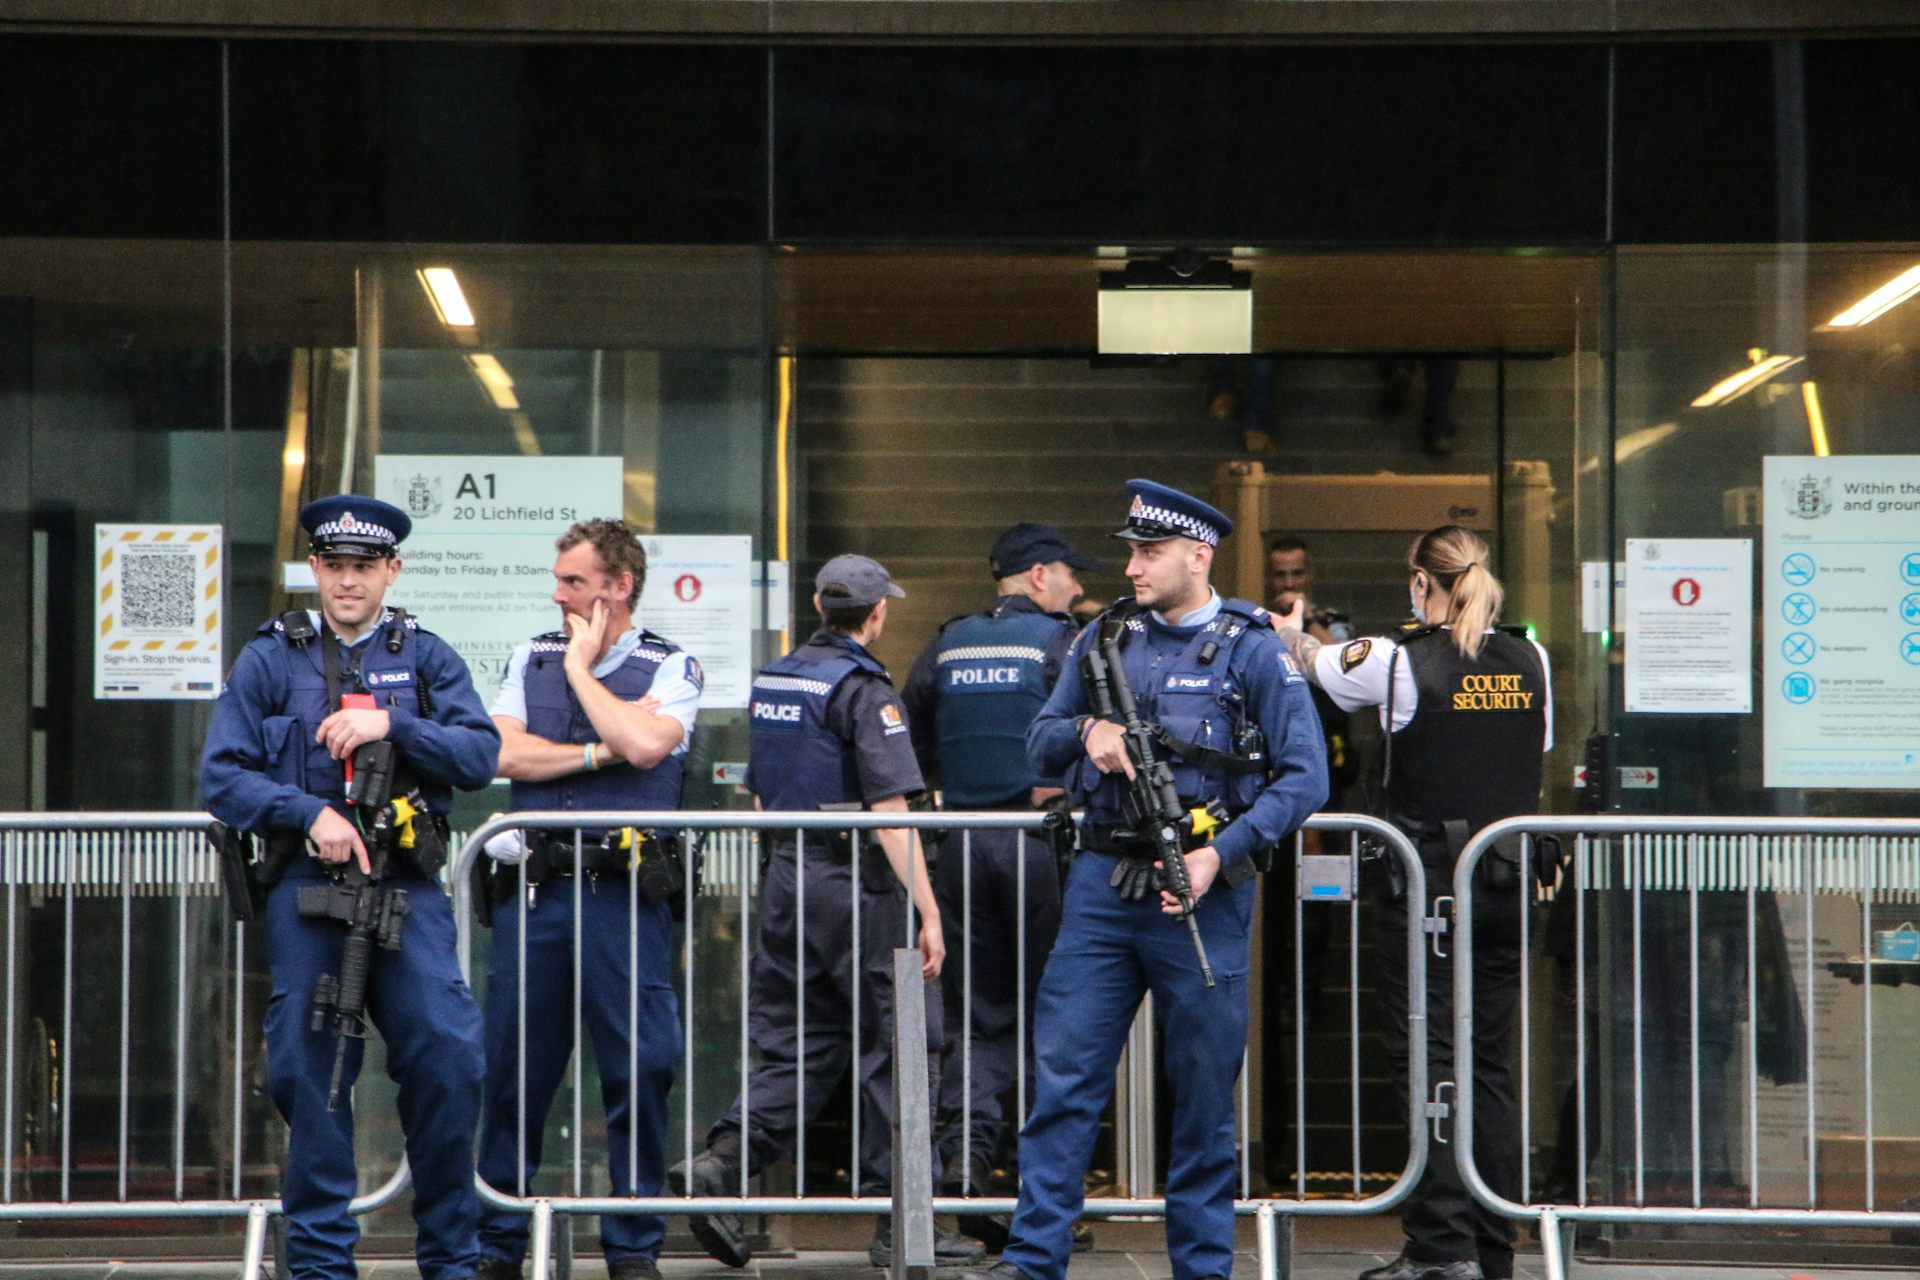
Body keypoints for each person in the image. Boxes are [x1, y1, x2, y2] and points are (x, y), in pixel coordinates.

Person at [964, 480, 1327, 1280]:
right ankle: (1033, 1264)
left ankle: (1201, 1269)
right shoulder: (1101, 638)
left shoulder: (1254, 649)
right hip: (1101, 887)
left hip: (1203, 892)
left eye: (1149, 551)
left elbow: (1306, 780)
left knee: (1201, 1102)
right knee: (1063, 1085)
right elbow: (1037, 745)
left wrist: (1218, 854)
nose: (1132, 566)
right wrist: (1089, 730)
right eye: (1131, 550)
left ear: (1199, 556)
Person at [200, 495, 501, 1280]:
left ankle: (451, 1260)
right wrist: (307, 814)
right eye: (333, 566)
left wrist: (394, 727)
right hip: (309, 890)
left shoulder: (425, 656)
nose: (346, 582)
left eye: (363, 567)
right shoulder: (270, 656)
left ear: (391, 571)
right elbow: (221, 776)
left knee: (449, 1056)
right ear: (315, 570)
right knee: (310, 1070)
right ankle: (323, 1265)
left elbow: (478, 758)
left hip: (405, 889)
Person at [672, 554, 983, 1270]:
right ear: (877, 615)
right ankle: (905, 1221)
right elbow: (890, 812)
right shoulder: (865, 689)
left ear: (818, 603)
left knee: (797, 1042)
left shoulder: (776, 678)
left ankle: (723, 1163)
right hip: (860, 882)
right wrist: (930, 911)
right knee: (904, 1043)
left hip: (789, 875)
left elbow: (760, 795)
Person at [1271, 524, 1551, 1280]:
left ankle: (1441, 1249)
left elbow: (1319, 667)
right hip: (1503, 888)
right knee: (1487, 1065)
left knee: (1428, 1063)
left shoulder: (1397, 662)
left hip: (1427, 894)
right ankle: (1492, 1249)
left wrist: (1292, 636)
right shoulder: (1534, 657)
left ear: (1422, 584)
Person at [473, 520, 702, 1280]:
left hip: (624, 897)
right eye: (559, 579)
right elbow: (502, 752)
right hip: (535, 895)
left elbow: (649, 747)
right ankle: (500, 1240)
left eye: (574, 580)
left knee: (640, 1069)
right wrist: (599, 742)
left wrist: (580, 676)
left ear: (619, 585)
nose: (558, 592)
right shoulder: (527, 654)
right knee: (513, 1071)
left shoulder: (673, 666)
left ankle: (632, 1247)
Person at [902, 523, 1096, 1248]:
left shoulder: (948, 642)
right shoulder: (1061, 642)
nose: (1078, 588)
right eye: (1071, 574)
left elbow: (909, 738)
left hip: (959, 846)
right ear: (1039, 575)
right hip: (1040, 845)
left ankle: (967, 1168)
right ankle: (1049, 1203)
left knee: (980, 1017)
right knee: (1061, 1018)